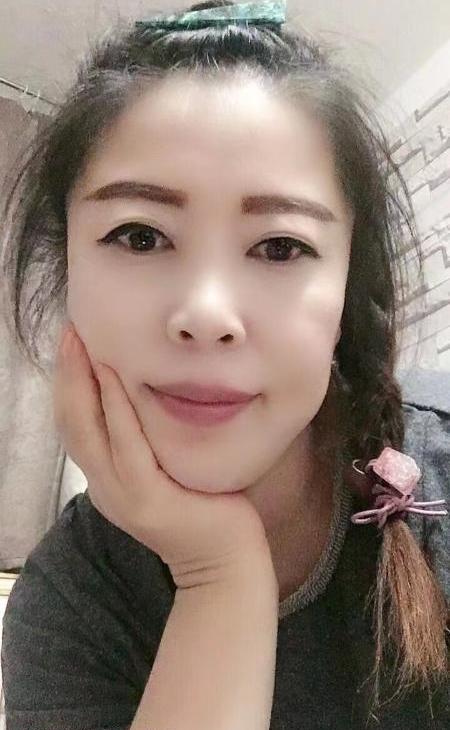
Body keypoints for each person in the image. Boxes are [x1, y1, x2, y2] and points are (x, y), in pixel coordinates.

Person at [0, 1, 448, 728]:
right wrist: (217, 574)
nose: (207, 314)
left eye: (279, 247)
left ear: (346, 290)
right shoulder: (67, 606)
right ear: (68, 274)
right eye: (140, 236)